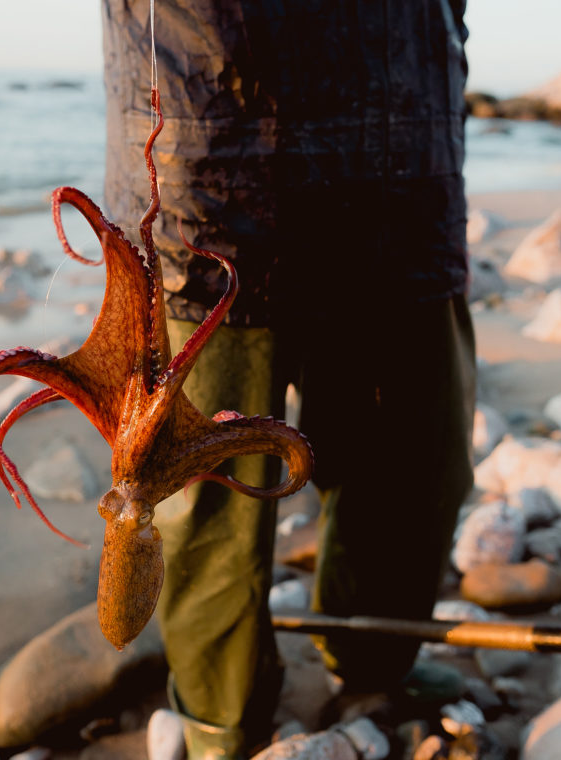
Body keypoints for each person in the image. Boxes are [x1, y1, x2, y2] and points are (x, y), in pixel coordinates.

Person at [101, 2, 475, 758]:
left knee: (412, 460)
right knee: (198, 490)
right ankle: (218, 712)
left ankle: (373, 663)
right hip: (203, 156)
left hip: (402, 143)